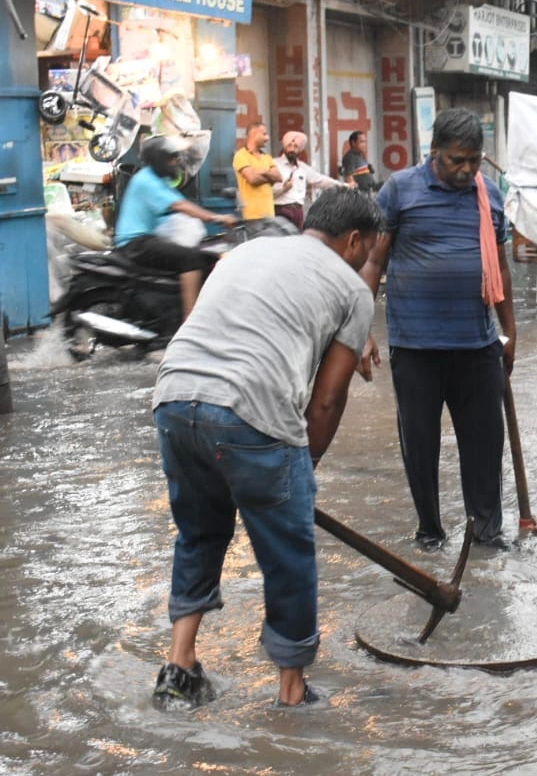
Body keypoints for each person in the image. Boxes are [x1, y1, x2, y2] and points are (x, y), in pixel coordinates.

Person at [150, 188, 381, 709]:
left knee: (199, 533)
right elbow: (325, 401)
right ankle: (292, 693)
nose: (369, 261)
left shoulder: (247, 249)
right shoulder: (353, 289)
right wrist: (302, 468)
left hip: (173, 395)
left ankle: (179, 665)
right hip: (246, 410)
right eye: (368, 250)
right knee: (289, 555)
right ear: (352, 241)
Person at [360, 108, 515, 550]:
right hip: (416, 346)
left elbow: (499, 267)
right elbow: (375, 259)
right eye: (456, 161)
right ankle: (430, 530)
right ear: (434, 153)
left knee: (484, 445)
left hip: (477, 342)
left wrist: (510, 331)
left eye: (474, 161)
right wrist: (359, 327)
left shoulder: (489, 194)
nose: (467, 170)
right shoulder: (400, 190)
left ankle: (486, 532)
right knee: (421, 445)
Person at [113, 135, 237, 319]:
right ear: (159, 159)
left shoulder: (157, 179)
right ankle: (190, 323)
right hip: (136, 243)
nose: (175, 161)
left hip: (146, 238)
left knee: (203, 252)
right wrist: (217, 217)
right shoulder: (147, 181)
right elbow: (180, 206)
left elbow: (179, 205)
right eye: (171, 158)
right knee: (191, 258)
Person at [272, 131, 351, 231]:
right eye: (289, 146)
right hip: (281, 209)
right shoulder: (274, 164)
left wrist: (345, 186)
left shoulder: (302, 168)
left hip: (298, 211)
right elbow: (268, 191)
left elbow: (321, 180)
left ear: (300, 150)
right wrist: (283, 189)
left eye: (296, 146)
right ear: (284, 147)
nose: (292, 149)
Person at [234, 121, 283, 221]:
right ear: (253, 134)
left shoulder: (267, 157)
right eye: (264, 134)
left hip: (270, 215)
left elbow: (279, 177)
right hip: (252, 217)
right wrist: (270, 178)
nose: (267, 138)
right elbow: (253, 179)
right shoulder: (241, 155)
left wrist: (263, 172)